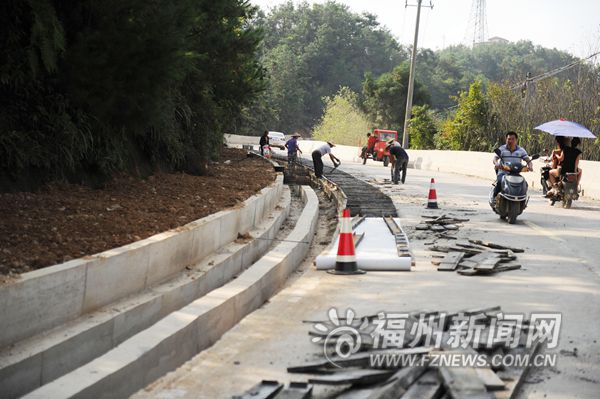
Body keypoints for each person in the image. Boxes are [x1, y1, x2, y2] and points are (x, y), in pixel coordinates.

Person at [492, 131, 533, 204]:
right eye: (509, 139)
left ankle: (523, 200)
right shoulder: (502, 149)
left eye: (512, 139)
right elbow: (495, 159)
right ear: (506, 139)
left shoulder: (521, 150)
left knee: (525, 184)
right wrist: (497, 164)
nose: (510, 141)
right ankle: (494, 197)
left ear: (516, 140)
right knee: (499, 182)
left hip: (516, 173)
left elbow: (528, 160)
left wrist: (530, 166)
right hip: (503, 172)